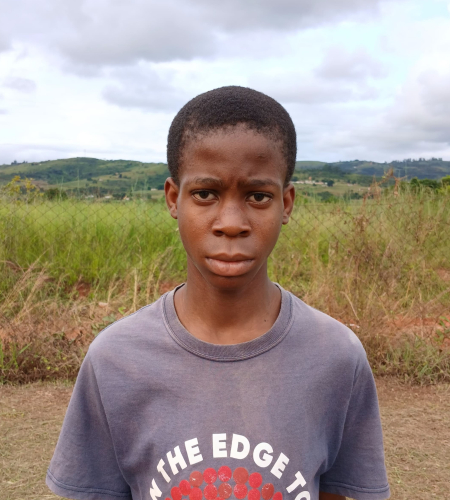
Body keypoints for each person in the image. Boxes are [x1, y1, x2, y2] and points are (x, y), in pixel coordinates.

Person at [46, 86, 390, 500]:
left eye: (258, 196)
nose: (230, 223)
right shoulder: (116, 361)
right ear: (174, 199)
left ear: (286, 203)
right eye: (205, 194)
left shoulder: (336, 357)